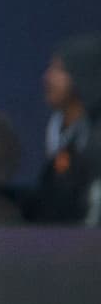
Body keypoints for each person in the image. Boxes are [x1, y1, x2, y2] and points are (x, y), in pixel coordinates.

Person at [32, 33, 101, 225]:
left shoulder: (96, 141)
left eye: (59, 70)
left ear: (85, 75)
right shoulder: (58, 130)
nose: (47, 77)